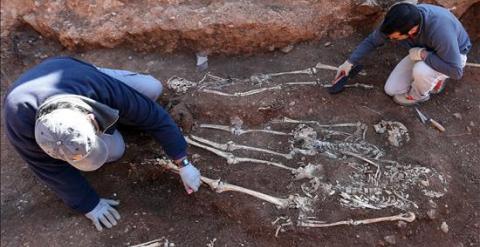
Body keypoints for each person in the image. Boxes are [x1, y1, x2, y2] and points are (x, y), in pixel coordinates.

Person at [3, 56, 202, 231]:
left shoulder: (95, 85)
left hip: (81, 75)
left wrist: (183, 162)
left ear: (90, 117)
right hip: (54, 91)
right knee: (116, 149)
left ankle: (117, 114)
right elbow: (50, 170)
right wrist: (89, 205)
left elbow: (151, 114)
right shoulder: (20, 125)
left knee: (152, 88)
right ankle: (116, 119)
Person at [335, 2, 471, 106]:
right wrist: (350, 62)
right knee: (391, 90)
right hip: (420, 51)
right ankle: (429, 77)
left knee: (421, 71)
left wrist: (423, 55)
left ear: (411, 31)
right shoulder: (397, 21)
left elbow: (456, 71)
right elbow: (373, 41)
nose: (390, 39)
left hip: (452, 57)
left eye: (394, 38)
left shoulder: (440, 31)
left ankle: (421, 94)